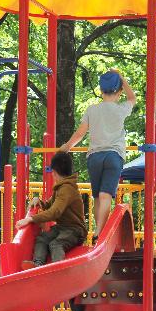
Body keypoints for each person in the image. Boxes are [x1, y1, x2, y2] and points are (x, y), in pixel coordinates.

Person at [59, 69, 137, 240]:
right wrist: (122, 78)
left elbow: (80, 133)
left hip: (94, 157)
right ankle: (99, 232)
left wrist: (67, 146)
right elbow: (132, 98)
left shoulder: (92, 110)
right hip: (113, 156)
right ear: (119, 91)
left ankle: (97, 229)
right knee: (105, 194)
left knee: (97, 196)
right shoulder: (121, 109)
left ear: (101, 91)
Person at [16, 151, 86, 265]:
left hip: (75, 230)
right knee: (42, 239)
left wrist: (30, 219)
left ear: (54, 172)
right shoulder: (61, 187)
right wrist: (39, 202)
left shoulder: (67, 189)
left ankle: (58, 269)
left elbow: (55, 212)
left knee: (56, 244)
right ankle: (38, 264)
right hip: (62, 227)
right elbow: (50, 205)